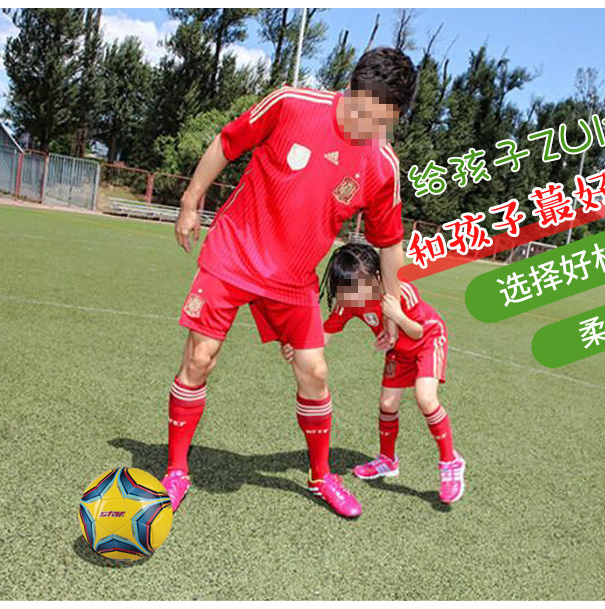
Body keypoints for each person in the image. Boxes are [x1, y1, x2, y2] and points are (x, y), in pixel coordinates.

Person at [163, 47, 417, 519]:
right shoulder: (291, 104)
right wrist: (191, 201)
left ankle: (321, 476)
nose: (369, 127)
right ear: (350, 89)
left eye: (383, 122)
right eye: (363, 113)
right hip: (234, 253)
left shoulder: (383, 165)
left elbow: (389, 242)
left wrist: (393, 305)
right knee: (199, 359)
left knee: (314, 373)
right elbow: (227, 143)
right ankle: (176, 470)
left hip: (294, 277)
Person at [283, 243, 466, 504]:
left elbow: (417, 332)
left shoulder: (400, 292)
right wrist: (300, 348)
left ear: (378, 276)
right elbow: (325, 334)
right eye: (347, 289)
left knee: (425, 398)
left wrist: (397, 316)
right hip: (397, 351)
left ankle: (450, 461)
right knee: (387, 405)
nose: (356, 296)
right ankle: (388, 460)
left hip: (427, 340)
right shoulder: (350, 302)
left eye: (362, 287)